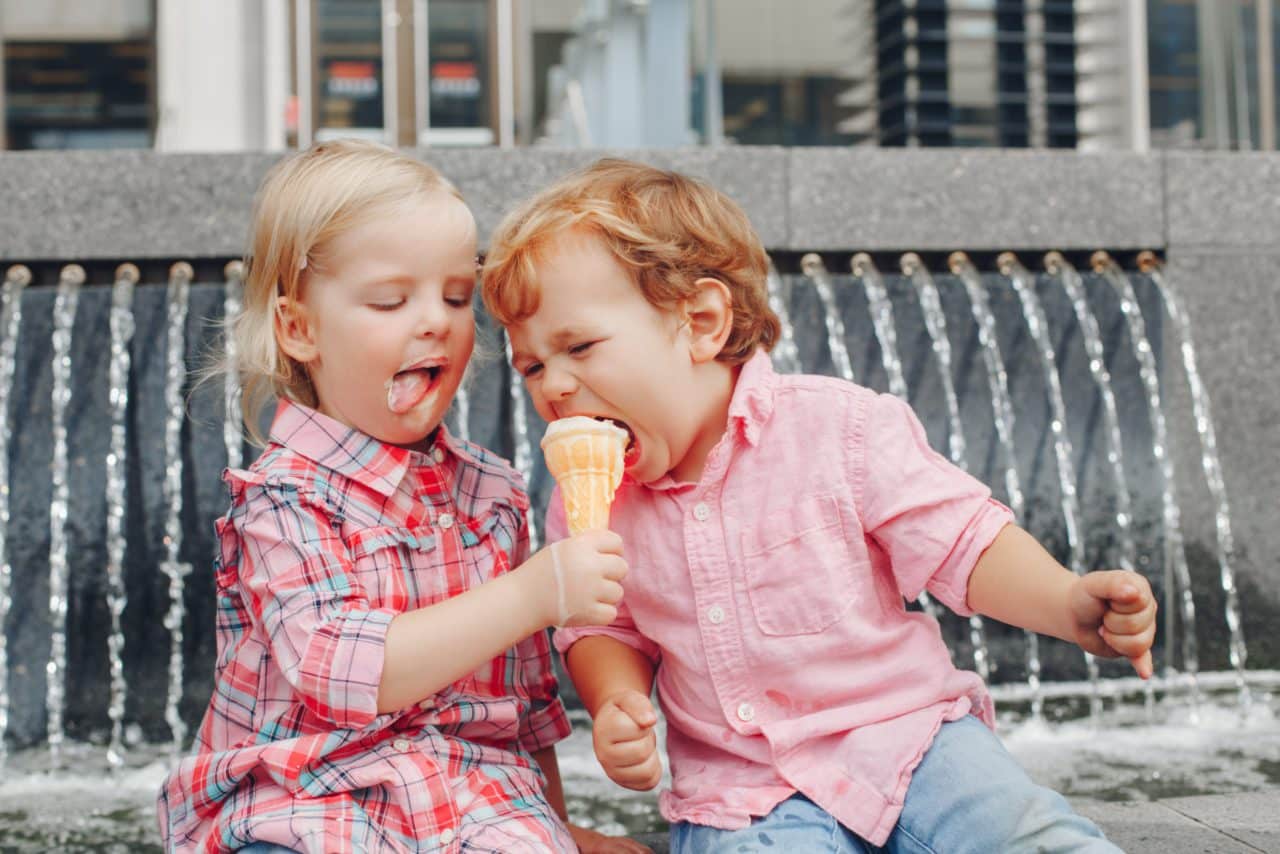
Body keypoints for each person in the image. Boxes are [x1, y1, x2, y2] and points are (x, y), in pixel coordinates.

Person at [481, 158, 1157, 853]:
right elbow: (606, 629)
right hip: (740, 794)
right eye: (531, 365)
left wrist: (1068, 604)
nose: (553, 386)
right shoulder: (589, 506)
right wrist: (614, 701)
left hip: (911, 743)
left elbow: (962, 541)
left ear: (701, 323)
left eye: (579, 347)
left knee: (1029, 836)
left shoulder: (841, 430)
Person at [157, 140, 651, 854]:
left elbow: (526, 709)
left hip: (477, 803)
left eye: (456, 297)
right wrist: (532, 593)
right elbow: (338, 670)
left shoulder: (492, 494)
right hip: (309, 801)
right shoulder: (283, 499)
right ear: (299, 330)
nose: (436, 321)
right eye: (391, 300)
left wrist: (558, 825)